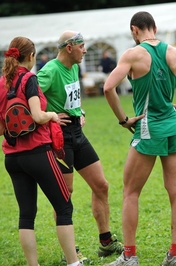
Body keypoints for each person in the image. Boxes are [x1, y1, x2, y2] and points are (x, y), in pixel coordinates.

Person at [103, 11, 176, 266]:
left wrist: (123, 120)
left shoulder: (133, 54)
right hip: (173, 126)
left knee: (131, 192)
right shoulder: (175, 53)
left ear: (135, 30)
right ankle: (175, 254)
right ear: (154, 27)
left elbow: (108, 87)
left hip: (147, 127)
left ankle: (130, 256)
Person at [0, 36, 82, 266]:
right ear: (31, 56)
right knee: (63, 207)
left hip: (12, 158)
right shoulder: (29, 79)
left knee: (26, 215)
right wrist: (51, 115)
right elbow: (38, 116)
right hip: (37, 153)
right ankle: (74, 262)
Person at [36, 31, 124, 262]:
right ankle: (70, 253)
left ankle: (106, 241)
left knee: (101, 185)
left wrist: (80, 111)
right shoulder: (49, 71)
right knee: (64, 195)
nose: (85, 51)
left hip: (78, 133)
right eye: (82, 46)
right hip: (59, 138)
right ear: (69, 47)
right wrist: (50, 115)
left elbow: (73, 97)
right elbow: (29, 100)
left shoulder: (74, 66)